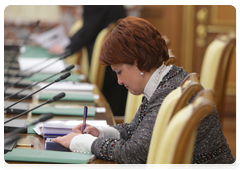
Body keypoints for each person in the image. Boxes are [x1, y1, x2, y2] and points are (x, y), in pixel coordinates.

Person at [51, 16, 237, 169]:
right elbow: (136, 130)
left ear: (137, 62)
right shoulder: (166, 80)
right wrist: (99, 132)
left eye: (119, 72)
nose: (119, 81)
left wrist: (81, 142)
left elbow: (136, 154)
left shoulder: (167, 92)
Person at [49, 5, 128, 116]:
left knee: (112, 103)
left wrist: (67, 49)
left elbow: (89, 30)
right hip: (114, 58)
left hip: (110, 62)